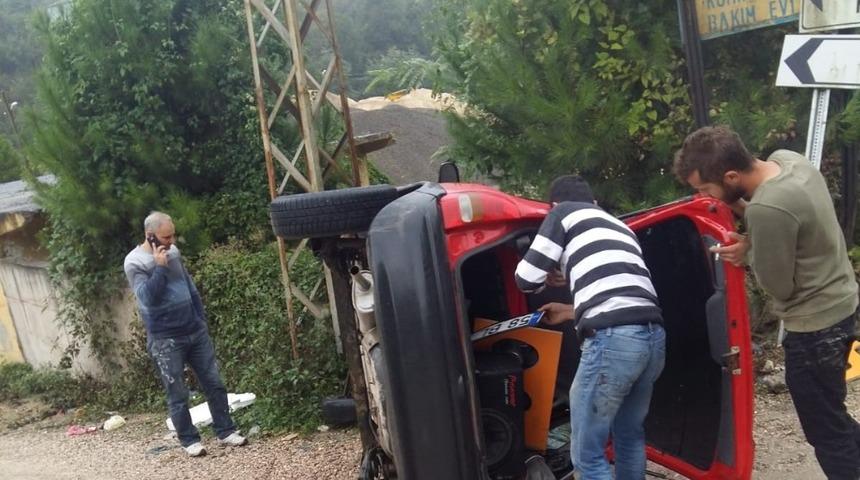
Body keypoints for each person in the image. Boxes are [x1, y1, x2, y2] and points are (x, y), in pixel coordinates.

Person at [674, 125, 860, 480]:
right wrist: (753, 236)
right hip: (841, 304)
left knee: (826, 432)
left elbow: (779, 287)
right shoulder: (790, 162)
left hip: (813, 328)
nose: (705, 195)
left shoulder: (767, 209)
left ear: (730, 175)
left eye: (705, 188)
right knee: (832, 415)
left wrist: (747, 251)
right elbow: (784, 221)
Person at [514, 175, 666, 480]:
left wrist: (547, 274)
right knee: (629, 435)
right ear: (594, 203)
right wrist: (570, 307)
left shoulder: (562, 213)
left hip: (613, 342)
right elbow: (618, 292)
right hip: (653, 338)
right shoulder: (619, 226)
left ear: (554, 205)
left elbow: (525, 279)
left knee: (587, 454)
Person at [124, 211, 247, 457]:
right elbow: (147, 297)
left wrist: (200, 319)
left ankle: (225, 431)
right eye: (165, 236)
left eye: (172, 235)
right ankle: (189, 440)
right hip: (165, 339)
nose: (171, 240)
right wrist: (159, 268)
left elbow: (188, 286)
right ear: (150, 236)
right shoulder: (134, 262)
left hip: (194, 330)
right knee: (177, 392)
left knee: (214, 383)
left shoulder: (175, 252)